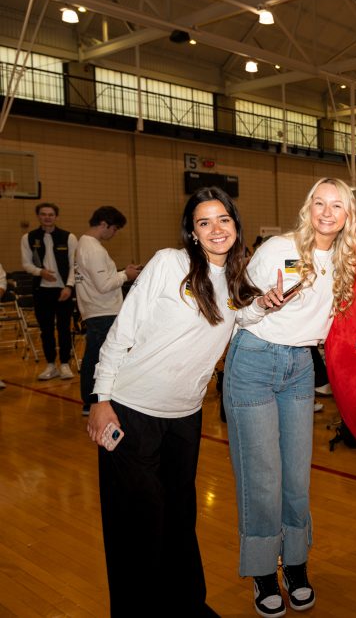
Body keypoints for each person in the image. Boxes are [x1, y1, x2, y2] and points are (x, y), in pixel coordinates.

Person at [85, 187, 259, 617]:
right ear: (193, 233)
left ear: (236, 225)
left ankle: (186, 604)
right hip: (131, 409)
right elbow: (121, 333)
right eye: (204, 222)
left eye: (223, 219)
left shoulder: (238, 284)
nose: (216, 229)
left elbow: (257, 316)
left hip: (185, 418)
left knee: (180, 518)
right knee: (135, 526)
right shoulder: (170, 264)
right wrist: (100, 398)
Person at [223, 178, 356, 617]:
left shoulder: (348, 261)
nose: (326, 212)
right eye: (319, 203)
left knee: (297, 479)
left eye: (336, 206)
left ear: (348, 216)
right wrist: (264, 302)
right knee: (262, 478)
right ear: (308, 208)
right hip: (254, 361)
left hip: (300, 367)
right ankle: (264, 573)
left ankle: (295, 565)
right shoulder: (277, 249)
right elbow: (237, 311)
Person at [75, 206, 142, 417]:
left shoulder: (84, 244)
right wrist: (126, 275)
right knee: (99, 358)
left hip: (97, 309)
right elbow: (104, 285)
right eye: (114, 229)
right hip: (102, 311)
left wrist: (123, 272)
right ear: (104, 224)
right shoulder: (93, 248)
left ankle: (92, 400)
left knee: (95, 356)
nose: (114, 234)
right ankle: (92, 401)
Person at [21, 202, 78, 380]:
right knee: (46, 330)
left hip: (63, 291)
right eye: (44, 214)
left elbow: (74, 265)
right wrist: (41, 272)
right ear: (38, 216)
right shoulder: (28, 238)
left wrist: (69, 286)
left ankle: (65, 364)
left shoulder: (69, 237)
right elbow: (26, 264)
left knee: (63, 329)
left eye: (51, 214)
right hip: (41, 291)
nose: (47, 217)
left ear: (56, 216)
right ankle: (51, 365)